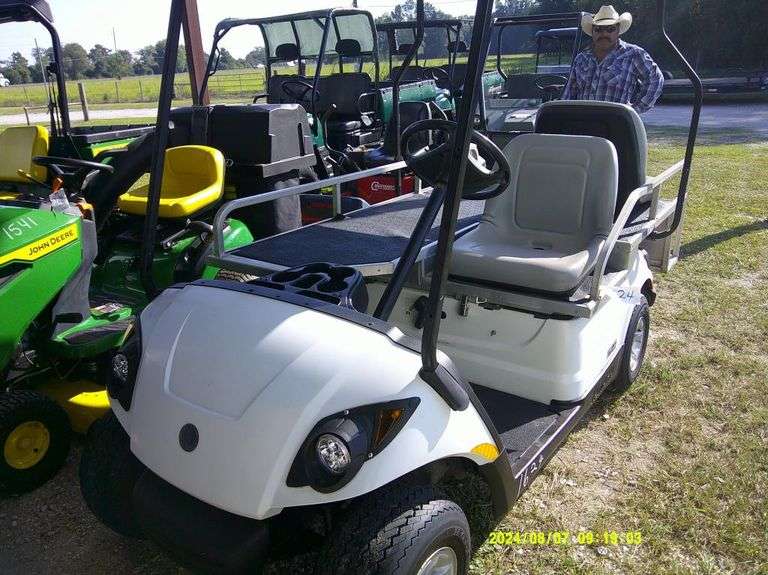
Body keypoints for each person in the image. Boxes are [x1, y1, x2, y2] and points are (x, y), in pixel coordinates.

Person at [562, 5, 664, 113]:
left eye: (610, 29)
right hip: (583, 123)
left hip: (617, 124)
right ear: (592, 32)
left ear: (618, 30)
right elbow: (568, 94)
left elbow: (655, 78)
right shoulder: (581, 58)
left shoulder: (634, 54)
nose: (604, 34)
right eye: (598, 29)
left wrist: (635, 110)